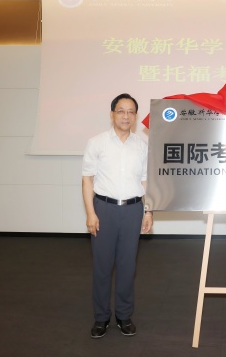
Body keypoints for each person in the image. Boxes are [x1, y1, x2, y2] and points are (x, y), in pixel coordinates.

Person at [82, 93, 153, 339]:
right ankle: (101, 317)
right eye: (121, 111)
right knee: (102, 266)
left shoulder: (142, 146)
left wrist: (148, 210)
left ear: (135, 116)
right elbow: (87, 180)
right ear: (112, 114)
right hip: (104, 209)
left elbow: (145, 181)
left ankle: (124, 315)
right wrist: (91, 213)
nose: (126, 116)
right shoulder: (97, 143)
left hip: (133, 210)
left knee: (127, 265)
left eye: (131, 112)